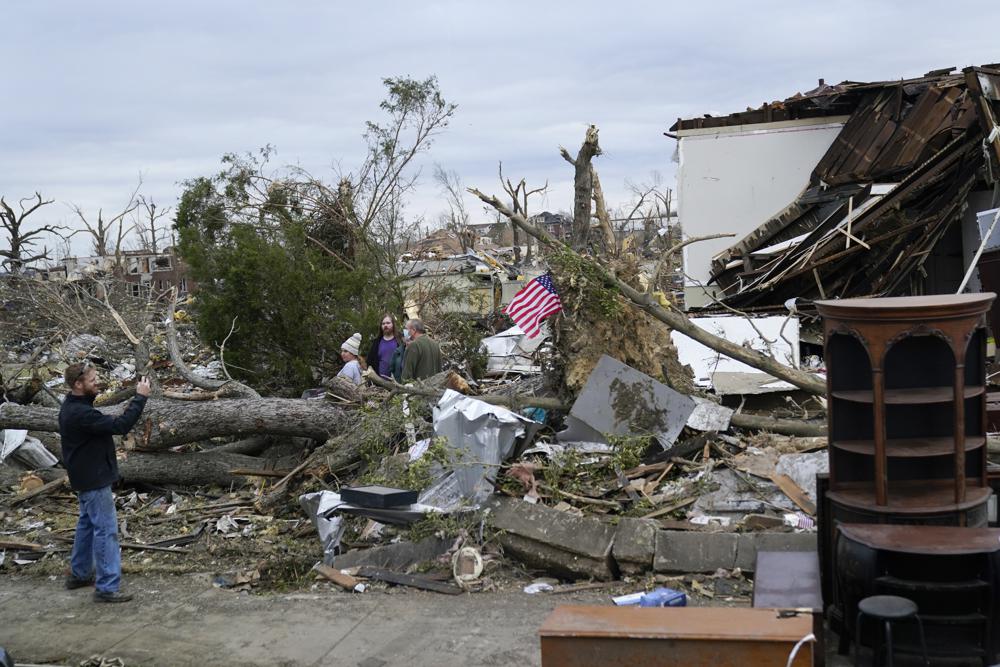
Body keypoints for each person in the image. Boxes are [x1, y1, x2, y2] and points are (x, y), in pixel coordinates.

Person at [59, 361, 151, 603]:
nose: (96, 382)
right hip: (93, 478)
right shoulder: (81, 414)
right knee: (106, 530)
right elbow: (120, 425)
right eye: (92, 380)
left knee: (87, 524)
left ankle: (79, 574)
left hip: (84, 476)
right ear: (78, 384)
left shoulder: (73, 405)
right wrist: (140, 398)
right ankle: (107, 586)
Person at [366, 313, 403, 379]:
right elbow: (369, 362)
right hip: (379, 382)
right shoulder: (376, 342)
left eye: (388, 323)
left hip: (397, 382)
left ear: (393, 324)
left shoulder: (400, 341)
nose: (385, 325)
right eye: (383, 324)